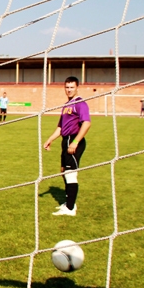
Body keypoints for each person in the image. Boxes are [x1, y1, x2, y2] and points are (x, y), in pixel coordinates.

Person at [44, 76, 91, 217]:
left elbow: (87, 123)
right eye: (67, 87)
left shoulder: (80, 103)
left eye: (72, 87)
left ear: (77, 88)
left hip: (74, 140)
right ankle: (69, 203)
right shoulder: (66, 105)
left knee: (70, 173)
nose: (69, 90)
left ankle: (70, 208)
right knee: (64, 171)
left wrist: (75, 142)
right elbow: (60, 127)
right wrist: (50, 139)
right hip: (65, 140)